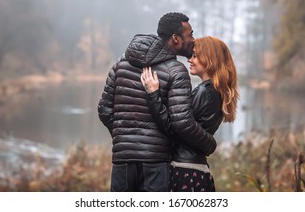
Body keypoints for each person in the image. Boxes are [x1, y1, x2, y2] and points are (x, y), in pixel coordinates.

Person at [98, 12, 217, 192]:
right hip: (155, 163)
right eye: (190, 35)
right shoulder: (176, 71)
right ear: (176, 38)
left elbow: (104, 110)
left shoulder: (121, 63)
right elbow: (180, 123)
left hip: (122, 159)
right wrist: (210, 143)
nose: (193, 40)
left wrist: (124, 136)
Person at [140, 36, 239, 192]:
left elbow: (175, 127)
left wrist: (153, 94)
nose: (190, 60)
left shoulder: (204, 92)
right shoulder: (214, 91)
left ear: (210, 59)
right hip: (195, 168)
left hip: (185, 170)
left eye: (195, 55)